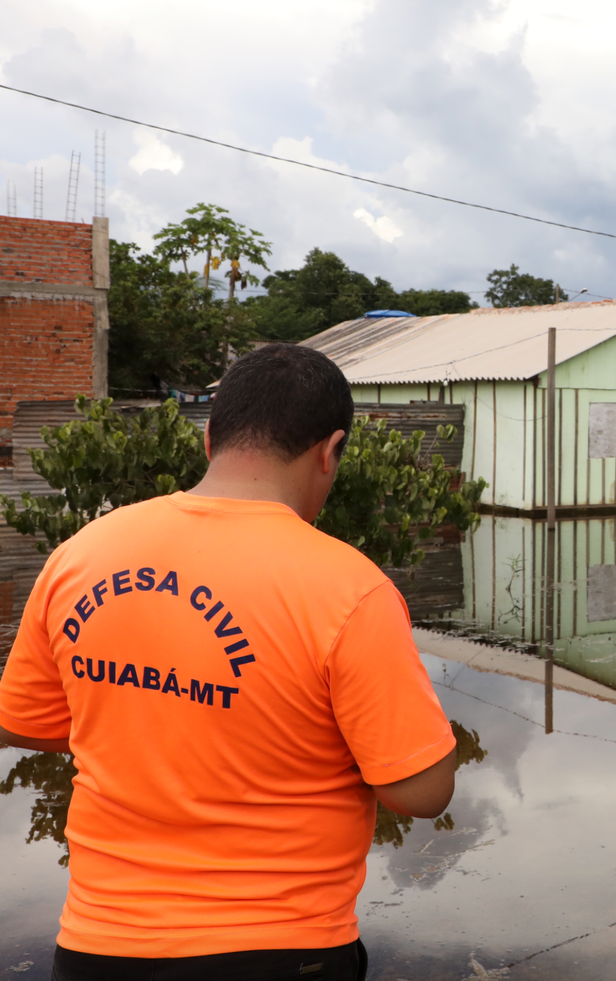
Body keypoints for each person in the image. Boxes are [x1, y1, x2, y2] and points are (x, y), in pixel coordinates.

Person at [0, 344, 458, 981]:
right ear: (330, 451)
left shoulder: (82, 553)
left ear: (209, 437)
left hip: (98, 945)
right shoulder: (350, 589)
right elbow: (421, 792)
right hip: (281, 948)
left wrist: (151, 712)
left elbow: (23, 722)